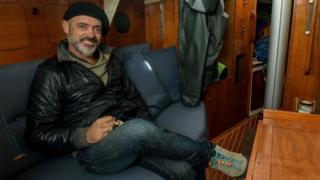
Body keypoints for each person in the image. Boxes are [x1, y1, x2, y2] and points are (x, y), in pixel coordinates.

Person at [25, 2, 247, 179]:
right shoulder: (51, 73)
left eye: (97, 28)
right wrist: (84, 135)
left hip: (131, 134)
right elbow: (36, 135)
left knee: (185, 169)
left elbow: (134, 99)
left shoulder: (110, 61)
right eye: (82, 26)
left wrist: (148, 131)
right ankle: (209, 153)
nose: (90, 34)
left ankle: (180, 150)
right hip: (93, 151)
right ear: (66, 27)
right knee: (140, 130)